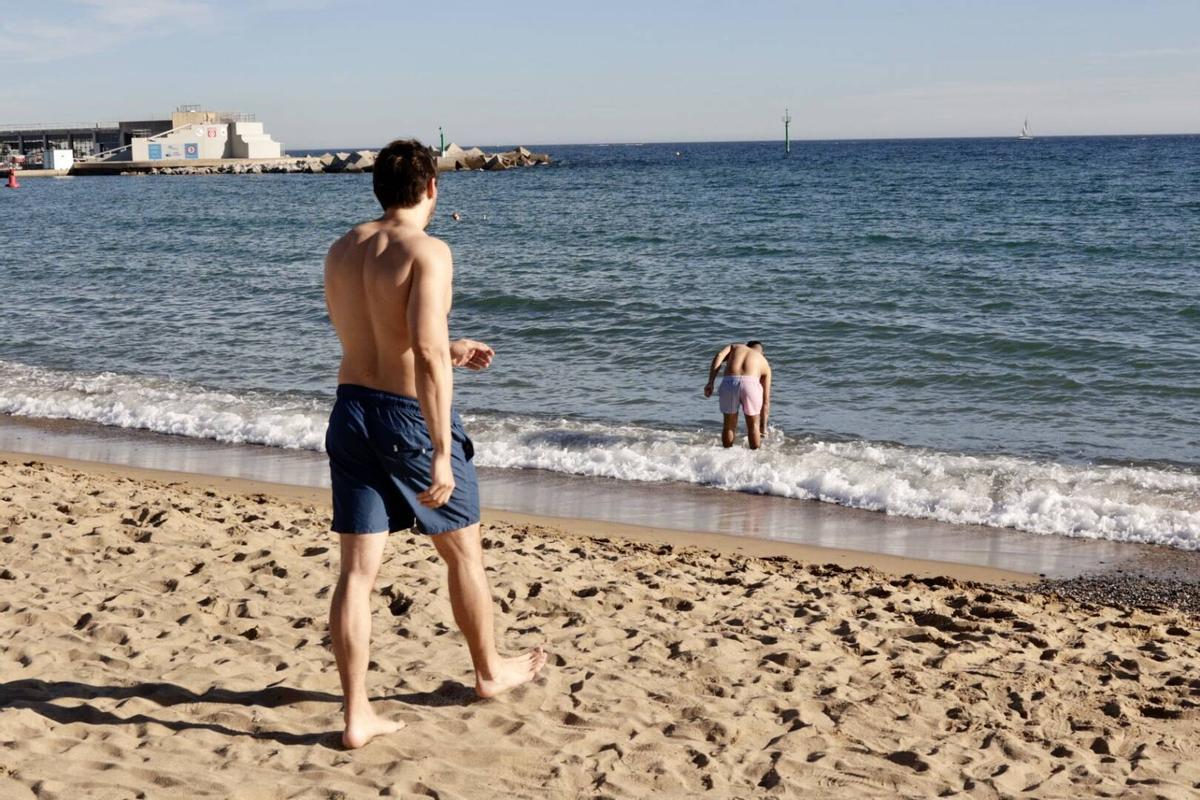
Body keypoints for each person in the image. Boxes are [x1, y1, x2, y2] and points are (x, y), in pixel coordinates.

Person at [323, 138, 546, 749]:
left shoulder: (343, 249)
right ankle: (489, 670)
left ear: (378, 189)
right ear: (430, 189)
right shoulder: (429, 249)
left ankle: (356, 715)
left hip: (350, 412)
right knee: (463, 553)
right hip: (405, 422)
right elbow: (420, 351)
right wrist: (443, 447)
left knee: (357, 574)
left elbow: (371, 335)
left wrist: (448, 350)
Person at [703, 341, 772, 449]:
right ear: (762, 353)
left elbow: (719, 355)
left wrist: (711, 381)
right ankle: (755, 458)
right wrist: (763, 428)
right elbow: (766, 401)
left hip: (730, 381)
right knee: (753, 426)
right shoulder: (764, 362)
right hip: (751, 384)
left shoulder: (736, 346)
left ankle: (727, 453)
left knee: (729, 425)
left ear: (747, 346)